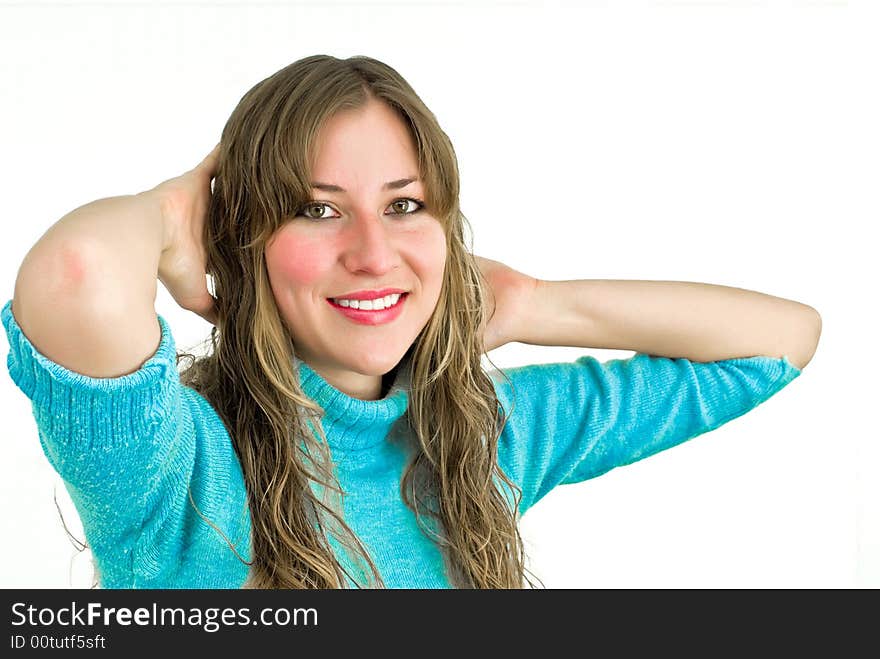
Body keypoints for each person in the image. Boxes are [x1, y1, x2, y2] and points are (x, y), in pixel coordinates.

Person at [3, 54, 821, 589]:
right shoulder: (176, 467)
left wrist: (533, 303)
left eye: (404, 205)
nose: (373, 251)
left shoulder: (484, 436)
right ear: (241, 240)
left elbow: (781, 341)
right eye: (317, 209)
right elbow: (78, 276)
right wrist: (170, 208)